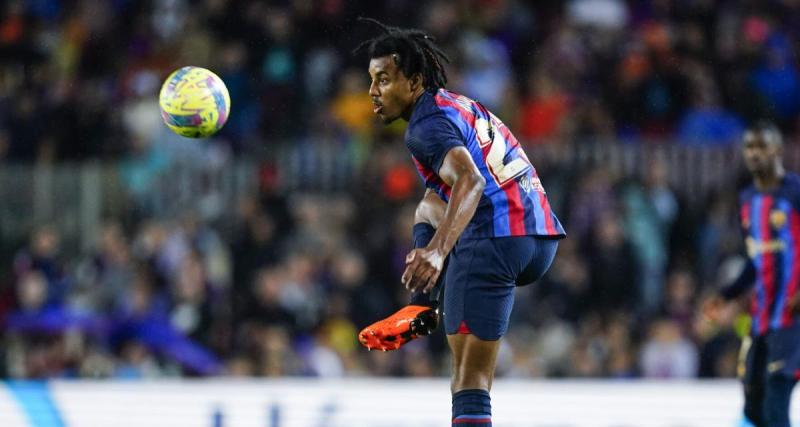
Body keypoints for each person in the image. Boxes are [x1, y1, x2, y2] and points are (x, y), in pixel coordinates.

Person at [354, 18, 565, 427]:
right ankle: (422, 305)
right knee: (428, 207)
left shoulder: (425, 128)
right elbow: (450, 191)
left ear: (414, 82)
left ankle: (425, 301)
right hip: (539, 234)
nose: (373, 91)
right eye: (371, 80)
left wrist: (436, 252)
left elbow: (470, 180)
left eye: (384, 79)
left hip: (496, 238)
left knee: (469, 380)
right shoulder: (456, 105)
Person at [704, 122, 800, 427]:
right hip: (762, 316)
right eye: (749, 147)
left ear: (777, 150)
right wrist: (725, 294)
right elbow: (756, 260)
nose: (755, 153)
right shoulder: (747, 199)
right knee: (753, 400)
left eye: (762, 146)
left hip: (793, 317)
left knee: (776, 395)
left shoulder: (795, 192)